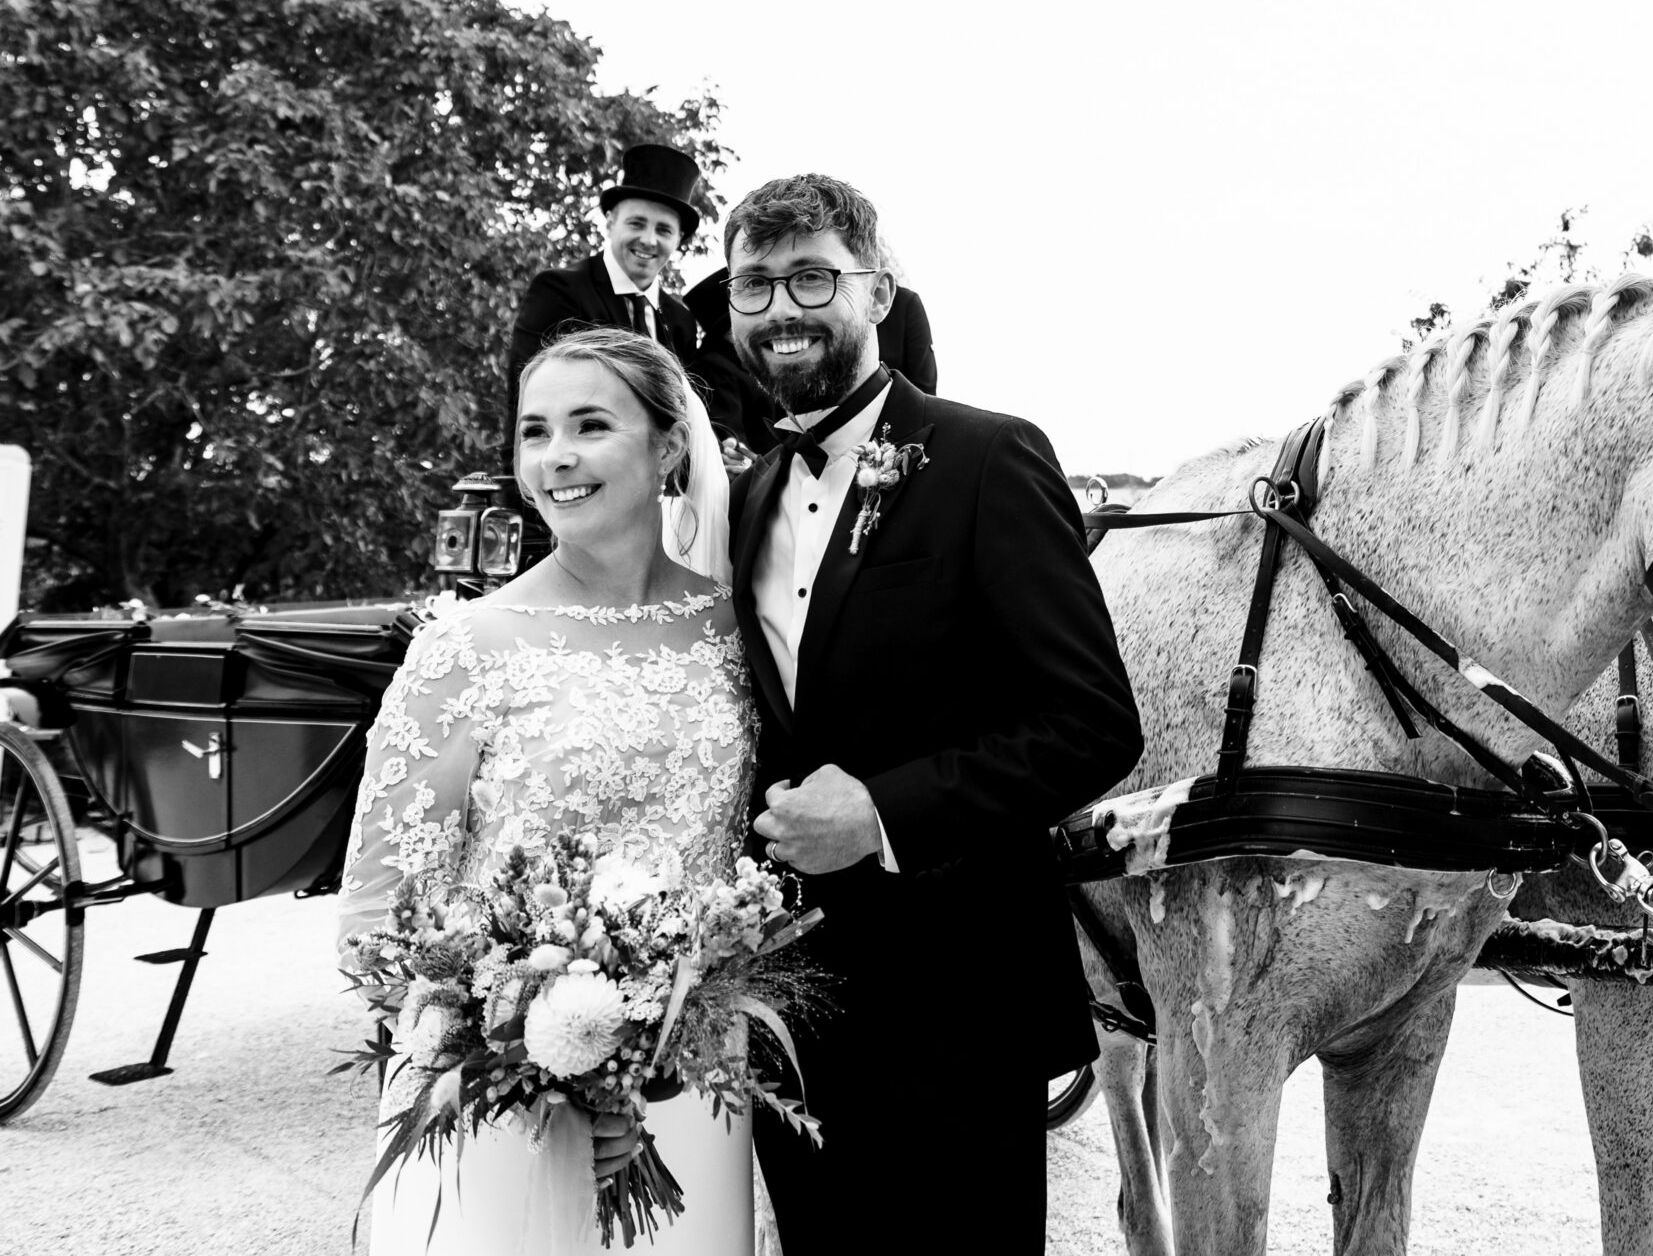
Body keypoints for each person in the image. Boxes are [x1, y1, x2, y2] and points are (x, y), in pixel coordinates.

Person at [721, 173, 1140, 1251]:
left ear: (878, 290)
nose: (781, 309)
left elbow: (1093, 720)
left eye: (811, 276)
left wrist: (883, 814)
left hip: (959, 1000)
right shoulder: (749, 493)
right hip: (791, 1004)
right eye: (754, 284)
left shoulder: (987, 457)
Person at [340, 328, 755, 1254]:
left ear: (668, 445)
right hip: (503, 1104)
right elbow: (376, 914)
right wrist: (536, 1065)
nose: (554, 456)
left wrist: (643, 1061)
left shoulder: (741, 634)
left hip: (697, 1083)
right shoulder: (467, 645)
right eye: (534, 431)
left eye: (590, 424)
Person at [505, 143, 751, 449]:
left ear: (678, 239)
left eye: (663, 230)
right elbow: (526, 397)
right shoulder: (561, 291)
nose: (648, 240)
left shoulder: (680, 320)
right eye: (636, 223)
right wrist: (520, 493)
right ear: (610, 222)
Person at [683, 259, 938, 457]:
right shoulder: (722, 367)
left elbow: (923, 389)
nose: (776, 312)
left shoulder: (905, 308)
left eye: (811, 277)